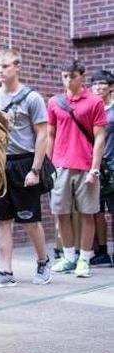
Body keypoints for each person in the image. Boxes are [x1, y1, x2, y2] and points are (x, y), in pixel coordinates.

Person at [0, 49, 51, 287]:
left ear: (17, 66)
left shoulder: (32, 97)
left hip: (25, 162)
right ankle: (5, 271)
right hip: (2, 164)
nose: (0, 71)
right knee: (2, 220)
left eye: (5, 66)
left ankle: (43, 261)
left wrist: (35, 169)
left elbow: (43, 134)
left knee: (29, 220)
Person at [49, 60, 107, 278]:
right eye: (64, 76)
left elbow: (100, 136)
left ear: (81, 76)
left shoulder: (94, 102)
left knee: (87, 213)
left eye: (72, 76)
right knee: (61, 213)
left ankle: (84, 258)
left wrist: (95, 168)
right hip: (60, 165)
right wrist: (48, 165)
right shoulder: (55, 101)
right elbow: (51, 133)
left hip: (85, 165)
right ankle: (69, 257)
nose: (68, 80)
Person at [90, 69, 114, 267]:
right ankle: (102, 252)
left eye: (101, 84)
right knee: (96, 211)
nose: (97, 87)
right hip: (96, 167)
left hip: (113, 167)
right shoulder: (91, 109)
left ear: (111, 87)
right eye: (95, 84)